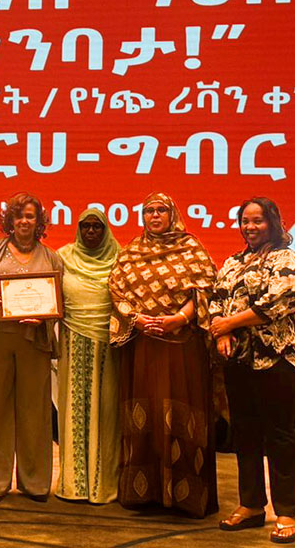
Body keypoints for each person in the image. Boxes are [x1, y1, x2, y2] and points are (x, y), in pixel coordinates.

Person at [108, 192, 219, 518]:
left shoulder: (191, 248)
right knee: (148, 415)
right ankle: (145, 494)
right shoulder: (130, 252)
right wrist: (137, 319)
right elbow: (116, 292)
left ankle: (185, 497)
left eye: (161, 210)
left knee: (181, 413)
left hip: (182, 347)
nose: (154, 216)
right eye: (149, 211)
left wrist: (180, 319)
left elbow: (205, 290)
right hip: (144, 346)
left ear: (173, 215)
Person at [210, 197, 295, 544]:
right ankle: (251, 504)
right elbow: (216, 299)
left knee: (280, 436)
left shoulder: (286, 259)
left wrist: (229, 324)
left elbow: (278, 302)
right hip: (238, 360)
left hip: (277, 359)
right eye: (245, 221)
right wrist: (221, 332)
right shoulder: (233, 262)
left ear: (273, 223)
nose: (250, 227)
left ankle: (287, 511)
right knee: (245, 434)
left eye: (258, 220)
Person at [0, 192, 63, 503]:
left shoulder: (52, 258)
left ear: (39, 222)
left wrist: (45, 317)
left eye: (30, 216)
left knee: (35, 413)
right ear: (9, 220)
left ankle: (34, 483)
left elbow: (59, 303)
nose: (24, 221)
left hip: (34, 341)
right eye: (19, 215)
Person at [56, 208, 121, 504]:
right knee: (73, 409)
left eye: (97, 227)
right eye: (86, 226)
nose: (91, 231)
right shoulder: (63, 257)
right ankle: (74, 483)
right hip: (73, 340)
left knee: (106, 412)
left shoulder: (120, 258)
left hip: (108, 344)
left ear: (105, 230)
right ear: (78, 229)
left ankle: (103, 484)